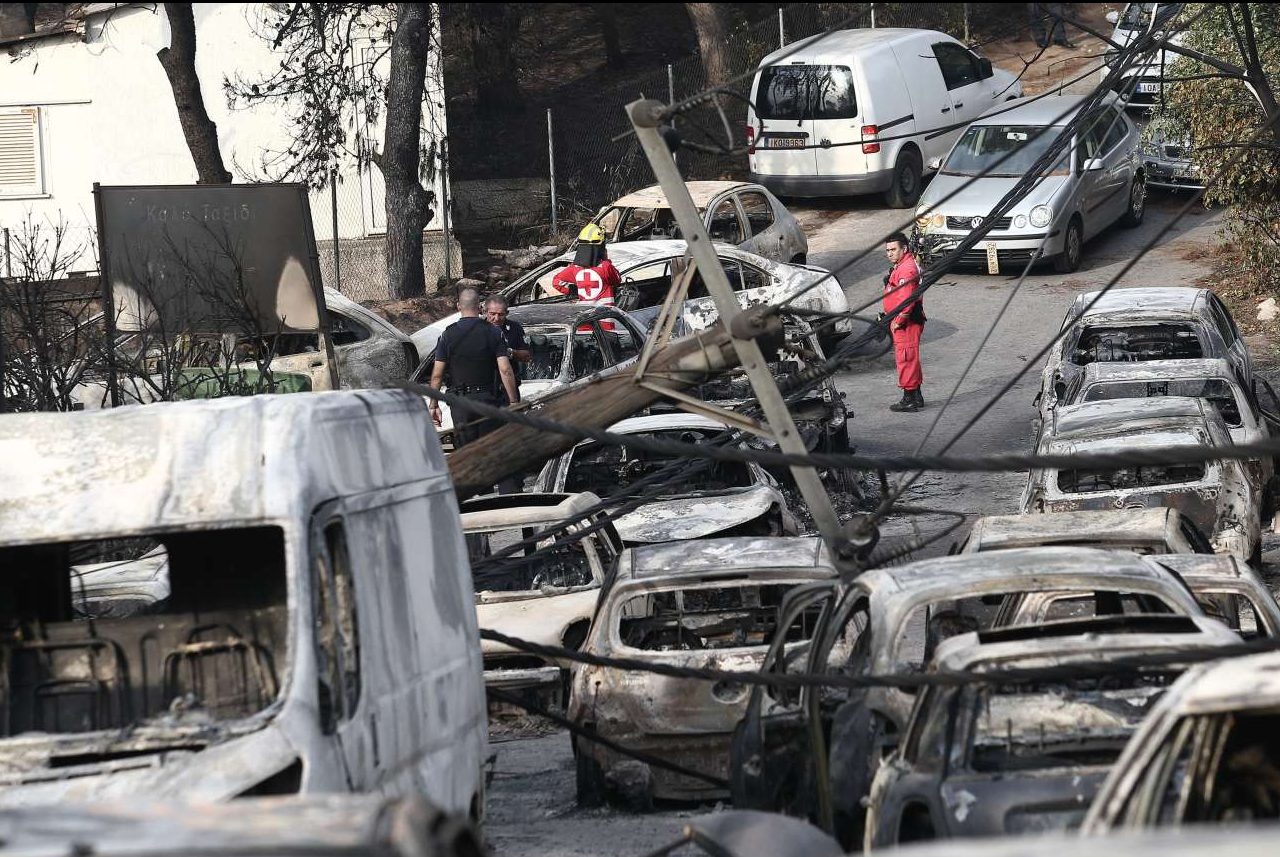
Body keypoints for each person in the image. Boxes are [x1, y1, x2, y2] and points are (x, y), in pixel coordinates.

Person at [428, 288, 520, 447]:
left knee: (466, 451)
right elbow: (505, 369)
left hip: (460, 403)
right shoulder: (493, 332)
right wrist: (513, 402)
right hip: (488, 400)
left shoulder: (447, 335)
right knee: (491, 449)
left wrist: (434, 405)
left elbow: (437, 375)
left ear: (458, 306)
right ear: (480, 308)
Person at [882, 232, 926, 413]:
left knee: (906, 358)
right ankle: (916, 396)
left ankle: (909, 399)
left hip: (906, 323)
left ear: (904, 249)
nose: (889, 253)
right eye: (887, 250)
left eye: (893, 249)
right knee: (910, 358)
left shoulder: (906, 269)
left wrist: (899, 320)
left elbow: (907, 299)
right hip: (903, 321)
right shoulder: (902, 265)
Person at [551, 223, 621, 329]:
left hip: (584, 319)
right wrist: (606, 259)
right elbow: (617, 279)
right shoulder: (605, 267)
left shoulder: (574, 268)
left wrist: (572, 290)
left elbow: (556, 281)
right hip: (604, 320)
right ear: (601, 248)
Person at [485, 294, 531, 406]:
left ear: (507, 313)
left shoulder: (515, 328)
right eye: (492, 314)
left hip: (508, 389)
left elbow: (526, 356)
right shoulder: (478, 329)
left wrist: (508, 352)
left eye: (501, 315)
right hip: (484, 390)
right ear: (485, 312)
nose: (496, 318)